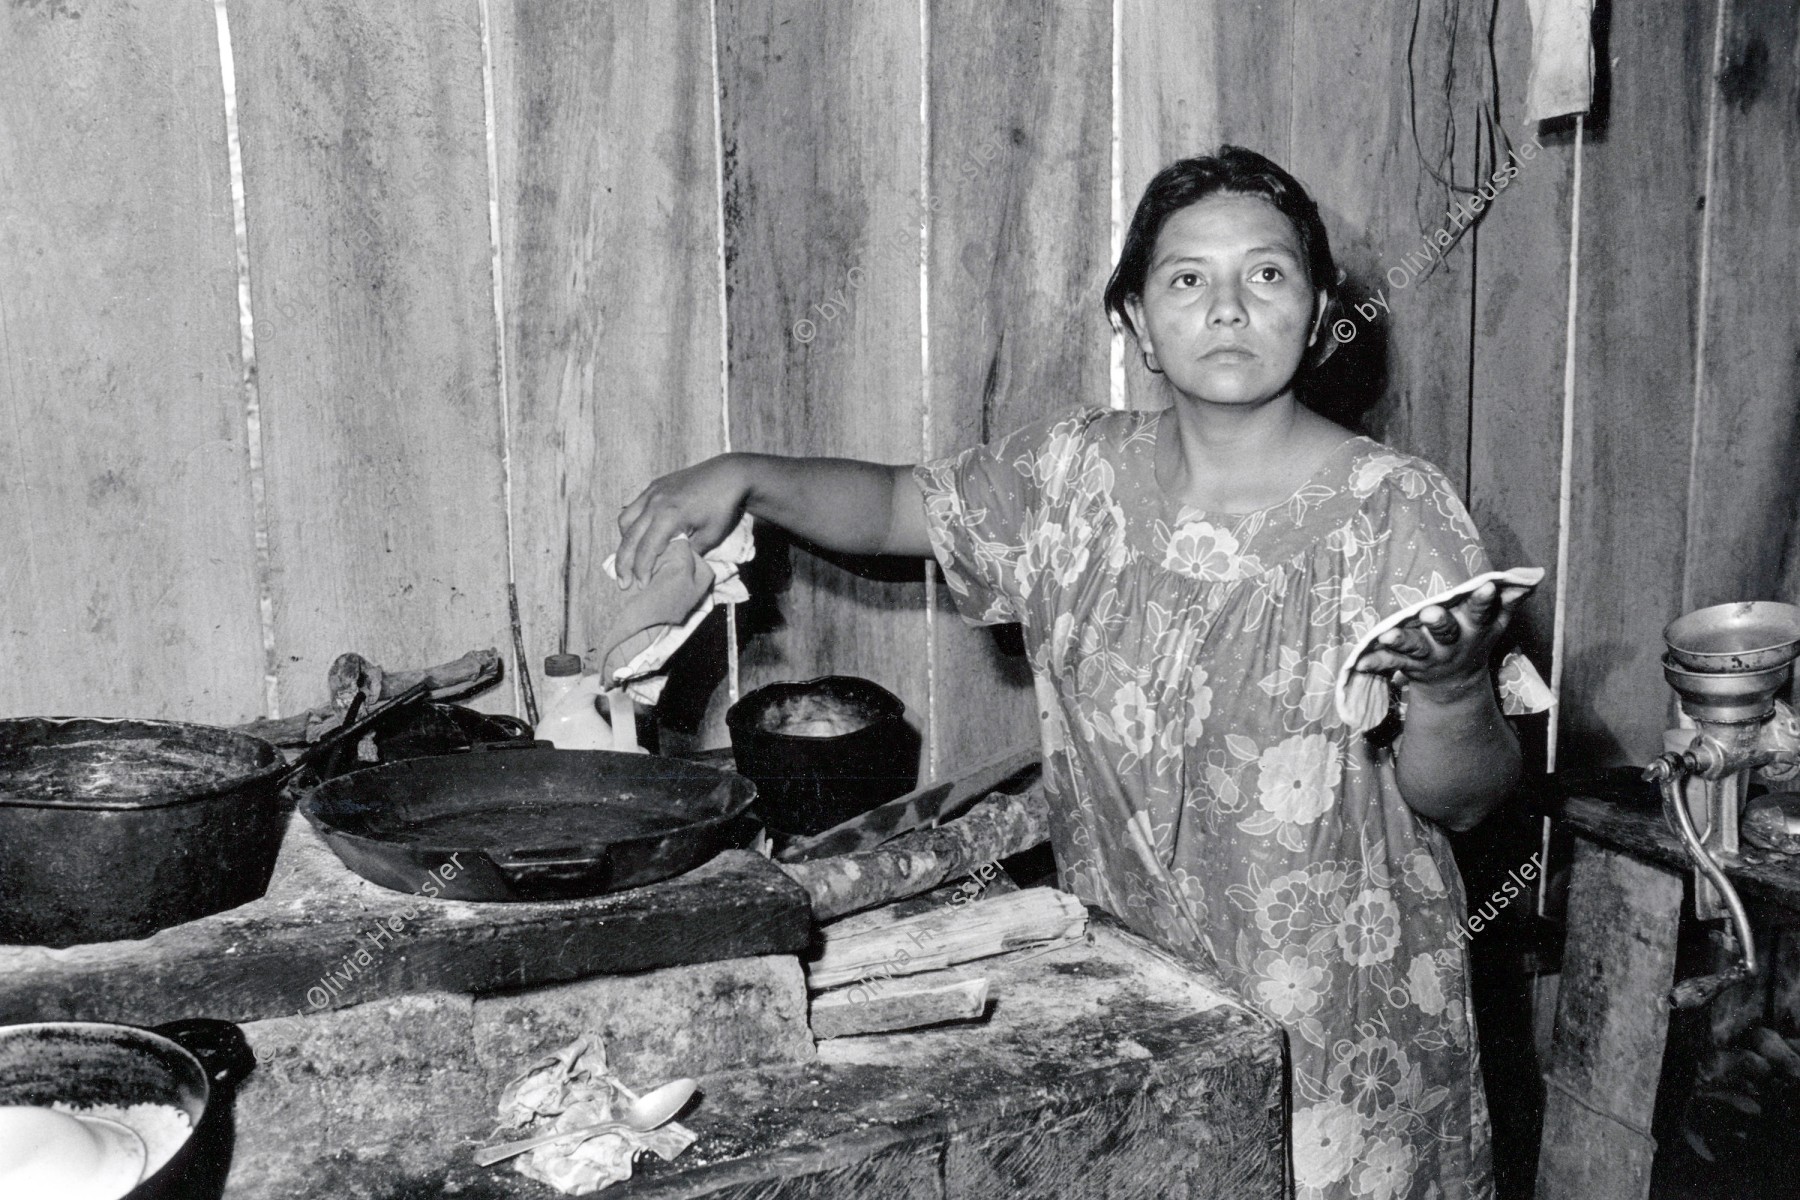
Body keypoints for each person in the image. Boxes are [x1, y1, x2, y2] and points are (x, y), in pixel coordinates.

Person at [616, 145, 1549, 1200]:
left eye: (1268, 273)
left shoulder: (1397, 511)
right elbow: (891, 507)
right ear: (1140, 325)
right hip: (1133, 1002)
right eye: (1188, 278)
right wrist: (747, 474)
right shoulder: (1074, 477)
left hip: (1345, 1028)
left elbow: (1465, 802)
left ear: (1319, 303)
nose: (1229, 307)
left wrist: (1457, 687)